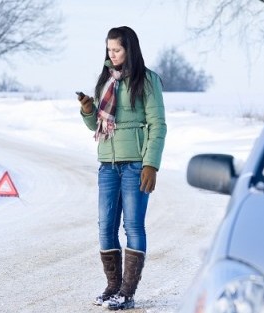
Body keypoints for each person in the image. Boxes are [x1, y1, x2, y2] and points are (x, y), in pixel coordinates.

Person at [78, 26, 167, 310]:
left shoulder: (148, 80)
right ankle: (112, 287)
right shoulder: (106, 80)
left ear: (129, 49)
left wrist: (151, 164)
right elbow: (98, 126)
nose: (111, 55)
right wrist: (88, 110)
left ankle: (127, 292)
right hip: (107, 163)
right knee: (106, 227)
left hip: (135, 163)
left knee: (133, 226)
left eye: (116, 50)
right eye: (108, 50)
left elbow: (158, 125)